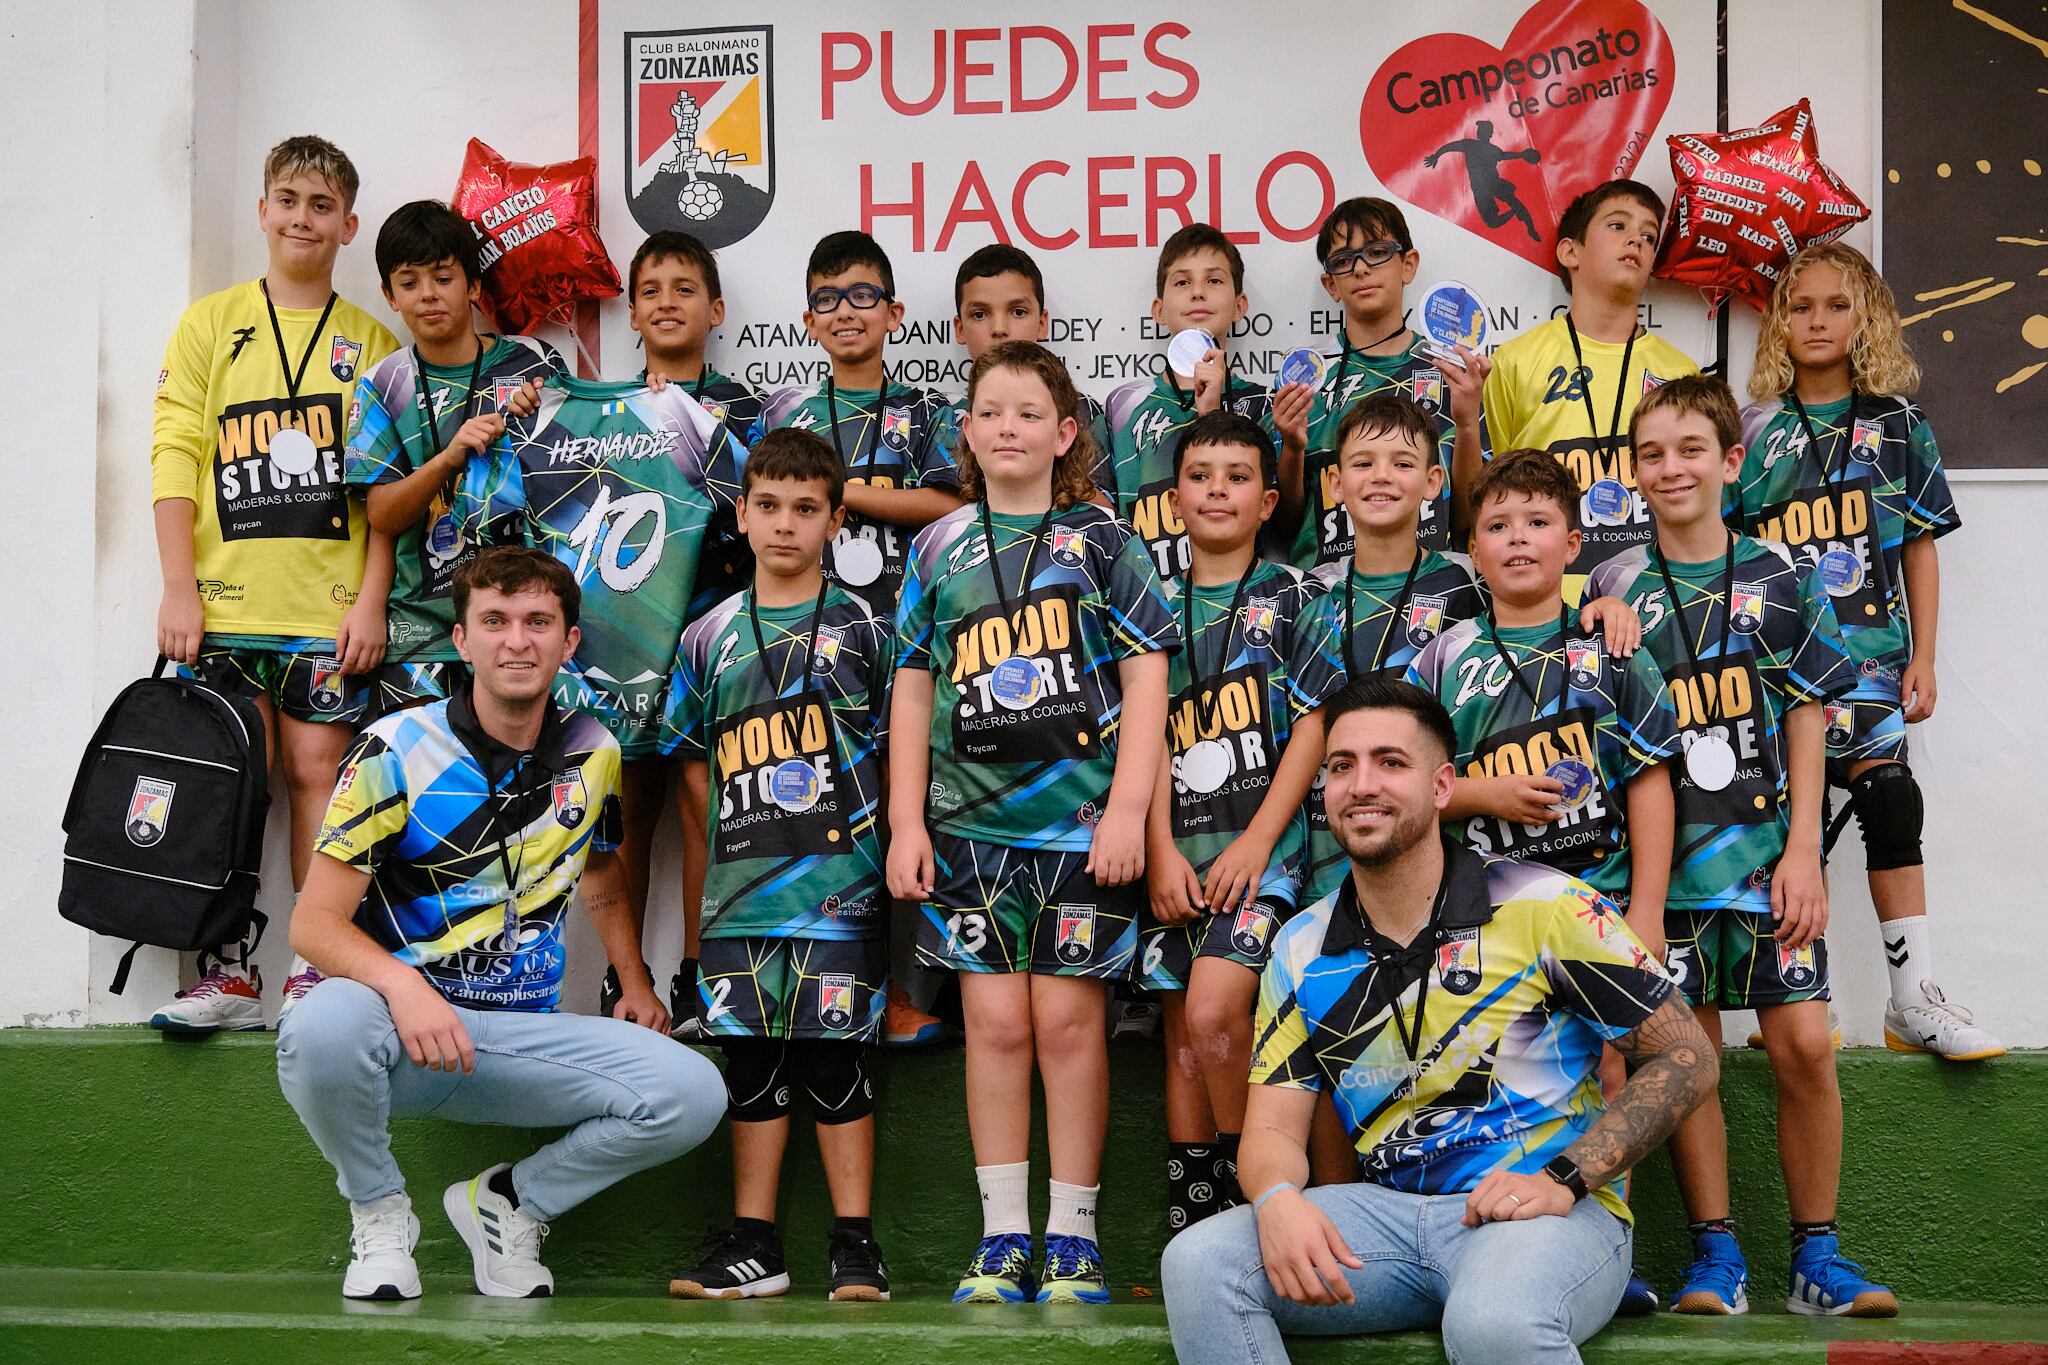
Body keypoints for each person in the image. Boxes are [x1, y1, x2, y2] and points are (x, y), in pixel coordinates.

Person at [1160, 676, 1717, 1364]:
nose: (1362, 784)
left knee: (1492, 1324)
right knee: (1198, 1262)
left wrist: (1563, 1178)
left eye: (1391, 762)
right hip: (1386, 1223)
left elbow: (1688, 1055)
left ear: (1443, 786)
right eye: (1341, 766)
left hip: (1547, 1212)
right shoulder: (1300, 946)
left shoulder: (1544, 903)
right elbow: (1273, 1125)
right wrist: (1276, 1199)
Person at [275, 547, 723, 1302]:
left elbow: (603, 866)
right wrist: (402, 988)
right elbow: (313, 925)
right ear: (462, 639)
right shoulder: (396, 750)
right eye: (495, 621)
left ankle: (514, 1201)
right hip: (403, 1036)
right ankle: (380, 1211)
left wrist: (637, 980)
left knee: (693, 1092)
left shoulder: (595, 749)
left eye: (538, 622)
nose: (517, 640)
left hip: (517, 1041)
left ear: (569, 641)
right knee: (319, 1025)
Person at [1587, 375, 1896, 1317]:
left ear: (1730, 462)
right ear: (1631, 472)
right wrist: (1594, 625)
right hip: (1661, 877)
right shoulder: (1613, 584)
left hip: (1765, 864)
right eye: (1651, 453)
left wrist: (1806, 847)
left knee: (1804, 1046)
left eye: (1690, 449)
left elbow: (1808, 712)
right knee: (1686, 1062)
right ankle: (1717, 1256)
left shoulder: (1778, 575)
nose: (1670, 467)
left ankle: (1818, 1256)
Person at [888, 341, 1175, 1304]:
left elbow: (1147, 679)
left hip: (1081, 832)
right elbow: (915, 688)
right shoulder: (937, 546)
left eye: (1027, 412)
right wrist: (905, 823)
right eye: (990, 411)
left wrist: (1130, 808)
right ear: (965, 432)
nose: (1007, 426)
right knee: (997, 1027)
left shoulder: (1101, 539)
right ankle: (1003, 1234)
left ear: (1064, 434)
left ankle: (1076, 1235)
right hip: (967, 837)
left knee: (1065, 1023)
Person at [148, 134, 399, 1032]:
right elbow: (175, 450)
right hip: (219, 609)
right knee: (230, 783)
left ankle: (312, 965)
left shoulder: (371, 342)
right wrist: (179, 585)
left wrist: (372, 598)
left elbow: (386, 488)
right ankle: (228, 967)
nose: (303, 217)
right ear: (262, 211)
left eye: (322, 205)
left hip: (323, 615)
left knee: (316, 778)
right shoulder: (211, 322)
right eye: (288, 199)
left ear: (348, 226)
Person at [1733, 243, 2003, 1061]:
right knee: (1790, 825)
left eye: (1836, 305)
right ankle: (1798, 996)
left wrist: (1924, 654)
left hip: (1872, 663)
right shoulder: (1752, 430)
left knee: (1890, 801)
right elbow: (1726, 551)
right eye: (1800, 305)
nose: (1817, 321)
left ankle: (1911, 999)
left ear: (1867, 318)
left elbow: (1920, 544)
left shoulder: (1898, 422)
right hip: (1779, 674)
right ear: (1779, 321)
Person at [660, 429, 894, 1302]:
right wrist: (726, 854)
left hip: (842, 896)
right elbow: (688, 755)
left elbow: (900, 749)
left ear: (837, 518)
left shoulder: (871, 626)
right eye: (768, 506)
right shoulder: (706, 636)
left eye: (806, 508)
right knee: (752, 1062)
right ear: (742, 512)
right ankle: (755, 1241)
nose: (785, 524)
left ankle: (855, 1242)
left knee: (837, 1062)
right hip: (740, 899)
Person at [1139, 411, 1321, 1233]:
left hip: (1263, 856)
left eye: (1237, 476)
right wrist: (1157, 851)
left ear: (1268, 498)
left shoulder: (1293, 596)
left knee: (1218, 1009)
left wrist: (1258, 841)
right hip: (1175, 854)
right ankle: (1194, 1214)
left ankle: (1260, 1193)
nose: (1218, 489)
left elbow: (1315, 725)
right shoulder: (1142, 605)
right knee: (1181, 1032)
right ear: (1174, 498)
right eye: (1201, 475)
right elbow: (1130, 743)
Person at [615, 229, 769, 1033]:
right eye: (651, 289)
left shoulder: (751, 409)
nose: (667, 301)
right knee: (627, 807)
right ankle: (624, 977)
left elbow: (768, 515)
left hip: (717, 630)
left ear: (713, 310)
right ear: (631, 312)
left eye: (684, 288)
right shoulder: (602, 411)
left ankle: (701, 977)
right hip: (625, 638)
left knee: (706, 805)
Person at [348, 199, 561, 719]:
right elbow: (382, 514)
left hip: (519, 623)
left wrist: (541, 420)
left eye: (443, 277)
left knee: (518, 784)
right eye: (409, 281)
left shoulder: (532, 362)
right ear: (389, 296)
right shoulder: (382, 385)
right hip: (421, 630)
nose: (428, 294)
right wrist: (448, 459)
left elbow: (581, 473)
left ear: (472, 285)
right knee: (426, 786)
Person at [1482, 180, 1699, 603]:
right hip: (1548, 606)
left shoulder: (1680, 372)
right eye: (1617, 226)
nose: (1636, 238)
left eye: (1649, 236)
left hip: (1657, 598)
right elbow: (1487, 493)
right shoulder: (1514, 361)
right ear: (1570, 252)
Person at [761, 229, 962, 621]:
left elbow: (950, 504)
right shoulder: (782, 413)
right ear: (810, 321)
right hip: (805, 624)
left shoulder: (926, 407)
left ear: (893, 314)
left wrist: (836, 490)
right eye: (826, 299)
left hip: (911, 619)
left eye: (863, 295)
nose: (845, 311)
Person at [1278, 197, 1487, 572]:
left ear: (1408, 265)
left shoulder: (1451, 370)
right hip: (1325, 592)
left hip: (1430, 589)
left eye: (1376, 252)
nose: (1360, 269)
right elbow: (1282, 523)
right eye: (1343, 260)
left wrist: (1469, 422)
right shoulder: (1305, 375)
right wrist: (1292, 447)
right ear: (1331, 284)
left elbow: (1468, 518)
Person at [1102, 223, 1304, 584]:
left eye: (1214, 281)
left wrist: (1289, 444)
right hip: (1150, 603)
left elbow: (1285, 521)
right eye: (1182, 282)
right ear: (1159, 310)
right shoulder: (1123, 405)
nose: (1198, 293)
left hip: (1231, 600)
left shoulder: (1262, 404)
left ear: (1240, 305)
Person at [1424, 120, 1542, 241]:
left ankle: (1530, 228)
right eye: (1480, 129)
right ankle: (1519, 216)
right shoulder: (1471, 145)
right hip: (1482, 188)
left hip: (1489, 185)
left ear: (1489, 133)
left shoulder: (1481, 147)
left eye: (1482, 129)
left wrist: (1522, 155)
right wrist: (1437, 155)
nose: (1479, 131)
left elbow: (1504, 155)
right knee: (1494, 221)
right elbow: (1449, 147)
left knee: (1510, 208)